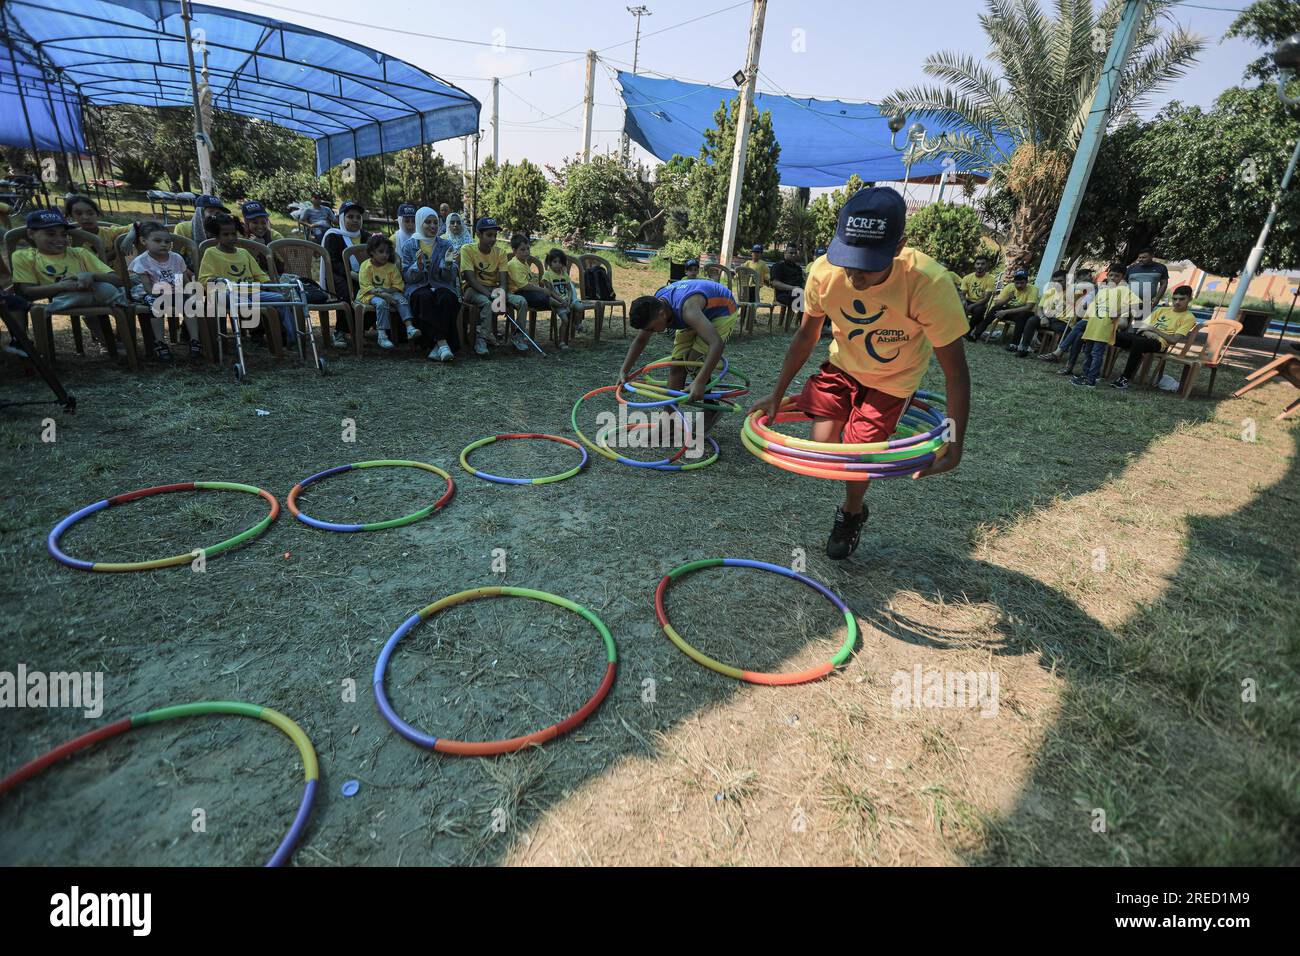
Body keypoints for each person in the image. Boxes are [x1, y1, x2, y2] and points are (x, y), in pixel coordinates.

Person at [751, 186, 971, 561]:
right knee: (825, 447)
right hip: (842, 368)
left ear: (899, 245)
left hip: (893, 381)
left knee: (855, 458)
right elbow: (807, 334)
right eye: (847, 258)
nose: (854, 273)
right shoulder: (824, 273)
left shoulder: (929, 284)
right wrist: (776, 392)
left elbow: (956, 373)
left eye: (867, 264)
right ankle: (850, 471)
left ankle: (852, 512)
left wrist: (955, 442)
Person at [618, 276, 738, 436]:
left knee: (693, 360)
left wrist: (700, 382)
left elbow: (716, 343)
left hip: (721, 311)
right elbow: (640, 340)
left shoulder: (688, 310)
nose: (652, 332)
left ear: (662, 314)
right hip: (695, 313)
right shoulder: (657, 307)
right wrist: (624, 371)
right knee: (676, 366)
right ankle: (669, 421)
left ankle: (710, 408)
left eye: (653, 328)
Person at [11, 208, 127, 358]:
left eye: (64, 234)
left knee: (107, 291)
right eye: (50, 234)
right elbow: (26, 292)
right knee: (103, 294)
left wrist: (91, 275)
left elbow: (116, 280)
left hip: (92, 294)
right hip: (65, 296)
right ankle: (111, 344)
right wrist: (60, 286)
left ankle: (114, 344)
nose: (59, 239)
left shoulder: (79, 253)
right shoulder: (23, 256)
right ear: (31, 234)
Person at [197, 213, 296, 346]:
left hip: (250, 291)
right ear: (217, 236)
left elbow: (260, 275)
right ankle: (252, 332)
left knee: (282, 300)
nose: (231, 238)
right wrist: (218, 281)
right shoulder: (211, 253)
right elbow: (204, 279)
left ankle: (291, 338)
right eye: (226, 235)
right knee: (243, 301)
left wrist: (273, 287)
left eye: (233, 234)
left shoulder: (243, 253)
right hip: (228, 293)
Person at [399, 206, 461, 362]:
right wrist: (417, 267)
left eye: (435, 222)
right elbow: (406, 276)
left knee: (447, 298)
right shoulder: (409, 245)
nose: (433, 226)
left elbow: (450, 277)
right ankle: (443, 343)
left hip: (440, 284)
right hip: (418, 286)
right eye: (428, 222)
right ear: (420, 223)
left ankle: (435, 346)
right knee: (424, 298)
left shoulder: (445, 245)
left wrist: (447, 266)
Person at [129, 220, 197, 360]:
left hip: (174, 291)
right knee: (157, 305)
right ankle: (160, 342)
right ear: (144, 241)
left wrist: (190, 294)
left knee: (190, 304)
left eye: (167, 241)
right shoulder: (142, 261)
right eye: (157, 240)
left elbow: (183, 280)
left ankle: (195, 340)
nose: (163, 244)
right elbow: (148, 287)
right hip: (154, 292)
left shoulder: (176, 258)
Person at [1110, 284, 1198, 389]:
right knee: (1113, 335)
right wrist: (1148, 332)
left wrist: (1154, 330)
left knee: (1139, 343)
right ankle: (1094, 370)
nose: (1177, 302)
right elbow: (1141, 328)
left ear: (1190, 299)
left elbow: (1174, 339)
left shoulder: (1189, 317)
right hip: (1144, 336)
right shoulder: (1162, 310)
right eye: (1175, 299)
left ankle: (1125, 378)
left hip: (1160, 343)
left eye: (1182, 299)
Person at [1071, 261, 1138, 388]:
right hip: (1092, 326)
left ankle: (1091, 379)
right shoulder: (1102, 290)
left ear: (1122, 277)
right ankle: (1085, 375)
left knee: (1097, 354)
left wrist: (1118, 312)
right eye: (1111, 275)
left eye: (1117, 276)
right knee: (1088, 352)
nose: (1113, 278)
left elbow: (1136, 304)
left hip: (1104, 328)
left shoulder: (1123, 290)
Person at [320, 200, 371, 348]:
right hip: (338, 275)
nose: (355, 220)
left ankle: (359, 331)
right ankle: (340, 331)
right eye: (350, 217)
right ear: (342, 218)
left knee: (372, 293)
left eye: (358, 217)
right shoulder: (333, 236)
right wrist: (350, 274)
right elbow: (333, 262)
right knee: (349, 292)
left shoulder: (367, 236)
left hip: (363, 276)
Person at [459, 217, 510, 356]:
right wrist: (490, 295)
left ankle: (488, 333)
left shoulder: (501, 253)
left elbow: (504, 281)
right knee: (487, 303)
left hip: (492, 289)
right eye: (489, 235)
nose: (493, 239)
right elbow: (469, 279)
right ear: (478, 234)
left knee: (504, 301)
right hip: (471, 290)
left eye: (495, 235)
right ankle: (481, 340)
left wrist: (501, 295)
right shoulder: (467, 249)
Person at [356, 234, 413, 350]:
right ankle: (382, 335)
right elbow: (365, 286)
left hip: (389, 293)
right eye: (381, 252)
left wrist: (387, 292)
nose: (385, 255)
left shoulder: (391, 267)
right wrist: (383, 294)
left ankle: (409, 327)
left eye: (387, 252)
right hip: (369, 295)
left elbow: (398, 285)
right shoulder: (366, 266)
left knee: (401, 299)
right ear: (372, 252)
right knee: (381, 303)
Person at [505, 233, 553, 353]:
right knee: (525, 301)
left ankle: (565, 310)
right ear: (514, 250)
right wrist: (542, 290)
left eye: (528, 249)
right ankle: (518, 336)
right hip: (512, 293)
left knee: (549, 298)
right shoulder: (514, 264)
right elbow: (523, 285)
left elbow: (530, 281)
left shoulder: (524, 262)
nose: (526, 252)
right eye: (522, 249)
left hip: (523, 292)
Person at [1043, 268, 1096, 365]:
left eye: (1089, 277)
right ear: (1078, 279)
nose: (1087, 279)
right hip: (1060, 318)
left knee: (1075, 331)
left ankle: (1063, 358)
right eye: (1083, 278)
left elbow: (1084, 307)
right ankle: (1060, 355)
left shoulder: (1092, 290)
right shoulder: (1074, 288)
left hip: (1078, 321)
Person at [982, 269, 1039, 352]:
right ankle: (978, 332)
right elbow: (997, 303)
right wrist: (1008, 298)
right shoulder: (1009, 286)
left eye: (1022, 283)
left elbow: (1028, 307)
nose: (1019, 285)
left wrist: (1005, 312)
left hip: (1025, 314)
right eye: (1017, 283)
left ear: (1027, 281)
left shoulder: (1033, 289)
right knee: (995, 309)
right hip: (1012, 311)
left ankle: (1014, 344)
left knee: (1023, 315)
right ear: (1014, 282)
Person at [64, 194, 129, 266]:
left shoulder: (109, 232)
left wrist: (129, 237)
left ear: (97, 214)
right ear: (71, 216)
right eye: (79, 214)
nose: (85, 217)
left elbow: (138, 225)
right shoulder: (68, 239)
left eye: (90, 213)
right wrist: (113, 253)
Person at [542, 248, 581, 349]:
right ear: (549, 262)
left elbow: (569, 288)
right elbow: (550, 291)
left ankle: (577, 324)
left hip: (566, 301)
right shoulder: (547, 275)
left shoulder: (564, 274)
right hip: (556, 302)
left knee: (579, 308)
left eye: (560, 262)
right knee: (565, 320)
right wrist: (561, 300)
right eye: (555, 262)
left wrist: (568, 299)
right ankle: (561, 341)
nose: (558, 265)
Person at [959, 256, 998, 341]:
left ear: (987, 266)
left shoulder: (990, 279)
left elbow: (986, 299)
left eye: (983, 264)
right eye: (978, 264)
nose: (980, 266)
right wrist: (963, 301)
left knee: (979, 310)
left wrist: (972, 306)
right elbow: (962, 294)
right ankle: (956, 330)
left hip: (980, 303)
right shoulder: (967, 277)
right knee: (958, 306)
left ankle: (968, 331)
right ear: (975, 265)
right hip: (968, 301)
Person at [769, 242, 806, 331]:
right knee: (799, 296)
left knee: (811, 298)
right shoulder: (778, 266)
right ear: (785, 253)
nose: (793, 255)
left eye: (795, 253)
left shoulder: (798, 268)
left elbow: (802, 284)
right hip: (783, 294)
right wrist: (792, 288)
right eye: (791, 253)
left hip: (798, 293)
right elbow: (775, 283)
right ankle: (801, 327)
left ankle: (806, 325)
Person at [1125, 249, 1169, 318]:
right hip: (1129, 301)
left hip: (1147, 301)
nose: (1141, 259)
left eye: (1144, 257)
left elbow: (1164, 283)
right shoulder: (1131, 268)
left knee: (1141, 325)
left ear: (1152, 256)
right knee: (1123, 324)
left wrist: (1157, 298)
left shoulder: (1161, 267)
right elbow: (1123, 283)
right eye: (1139, 257)